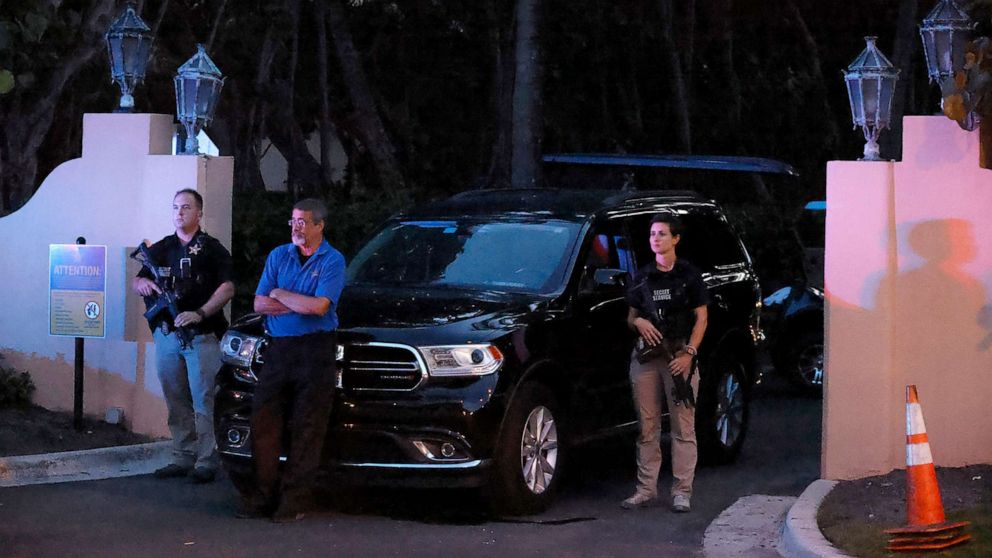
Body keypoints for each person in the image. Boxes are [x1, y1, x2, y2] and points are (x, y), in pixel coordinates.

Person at [240, 198, 346, 522]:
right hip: (280, 347)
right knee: (264, 419)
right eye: (293, 221)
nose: (296, 228)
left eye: (302, 222)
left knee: (307, 425)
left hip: (315, 349)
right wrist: (297, 302)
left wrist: (280, 294)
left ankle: (294, 500)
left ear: (319, 225)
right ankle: (263, 495)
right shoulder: (278, 255)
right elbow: (259, 303)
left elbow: (319, 308)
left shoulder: (332, 260)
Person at [132, 188, 234, 483]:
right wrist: (142, 284)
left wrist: (200, 313)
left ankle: (206, 460)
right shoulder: (163, 247)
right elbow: (139, 278)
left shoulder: (212, 249)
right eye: (175, 207)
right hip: (167, 335)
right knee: (175, 398)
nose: (179, 213)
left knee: (204, 399)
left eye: (186, 208)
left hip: (201, 335)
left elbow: (227, 288)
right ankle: (182, 455)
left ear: (199, 213)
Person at [622, 213, 709, 513]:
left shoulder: (689, 275)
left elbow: (701, 317)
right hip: (648, 358)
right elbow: (631, 316)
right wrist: (641, 323)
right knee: (647, 427)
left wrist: (690, 354)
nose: (655, 239)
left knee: (683, 427)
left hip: (678, 357)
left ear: (675, 239)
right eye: (652, 234)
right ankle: (646, 489)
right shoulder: (643, 276)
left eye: (661, 233)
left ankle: (682, 491)